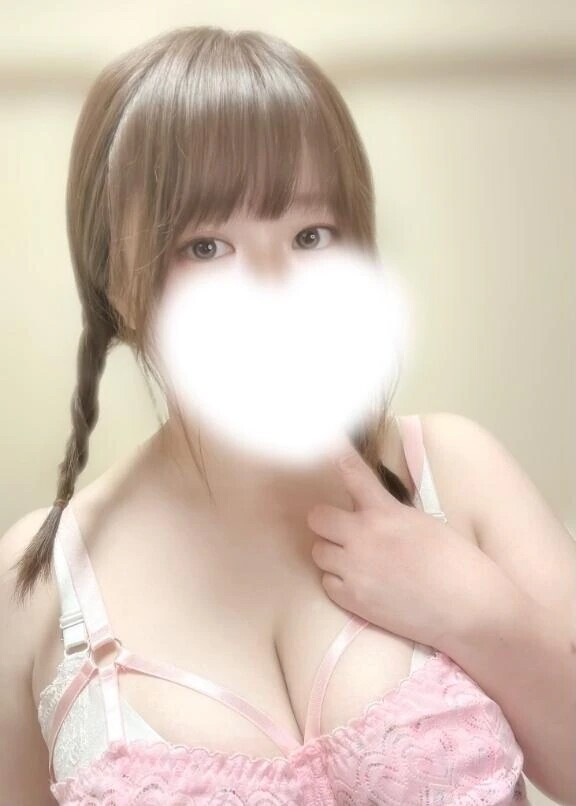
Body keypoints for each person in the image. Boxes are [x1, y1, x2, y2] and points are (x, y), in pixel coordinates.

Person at [0, 26, 530, 804]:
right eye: (206, 247)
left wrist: (481, 617)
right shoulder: (39, 583)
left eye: (310, 235)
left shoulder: (455, 473)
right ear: (117, 278)